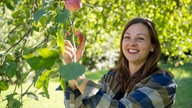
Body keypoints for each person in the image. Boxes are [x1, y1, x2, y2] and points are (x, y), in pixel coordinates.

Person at [59, 17, 177, 108]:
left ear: (152, 46)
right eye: (127, 37)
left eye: (140, 38)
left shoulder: (163, 82)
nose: (132, 43)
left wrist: (75, 73)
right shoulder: (111, 77)